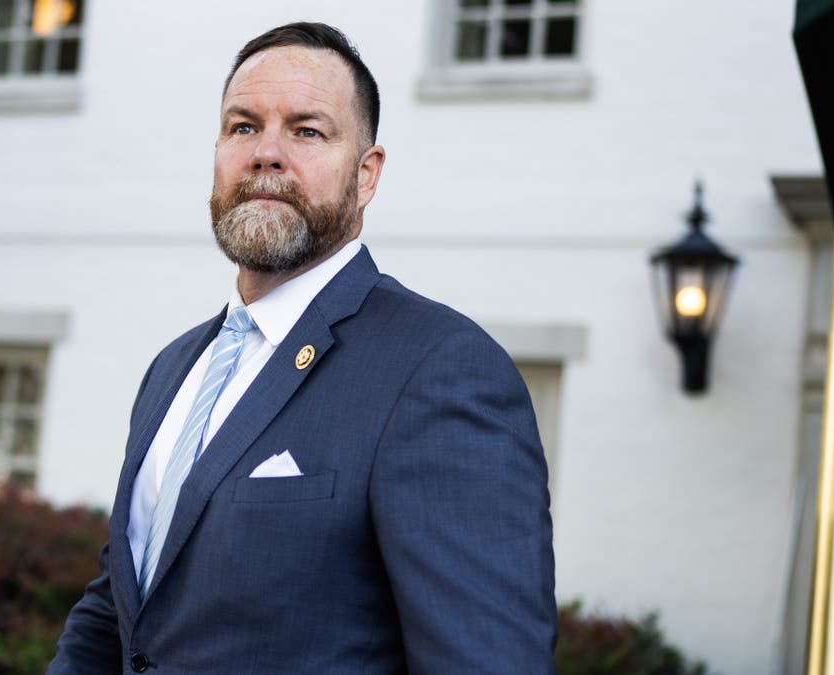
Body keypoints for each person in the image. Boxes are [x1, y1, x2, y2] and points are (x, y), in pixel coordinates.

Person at [48, 22, 556, 674]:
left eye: (307, 130)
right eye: (243, 126)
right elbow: (122, 609)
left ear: (366, 175)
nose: (267, 152)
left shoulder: (441, 370)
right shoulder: (175, 368)